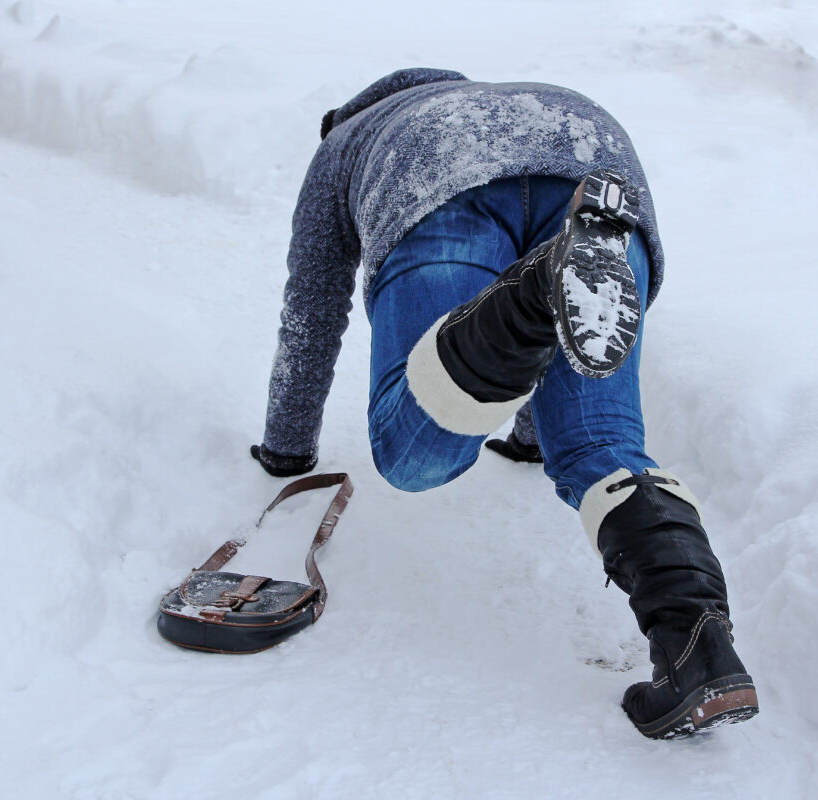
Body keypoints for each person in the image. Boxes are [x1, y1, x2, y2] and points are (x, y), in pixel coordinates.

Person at [251, 68, 758, 739]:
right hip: (593, 150)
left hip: (436, 166)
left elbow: (310, 312)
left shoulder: (347, 139)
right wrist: (531, 438)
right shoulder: (483, 94)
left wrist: (287, 448)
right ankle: (700, 653)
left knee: (415, 454)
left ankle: (531, 290)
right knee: (602, 448)